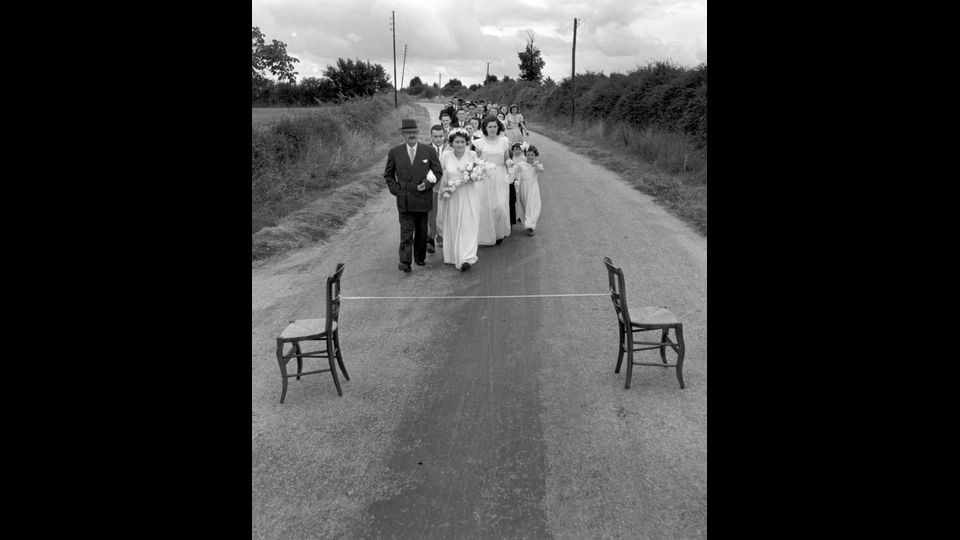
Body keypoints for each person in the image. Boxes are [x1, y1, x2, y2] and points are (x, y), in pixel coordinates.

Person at [383, 118, 444, 272]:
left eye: (414, 132)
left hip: (423, 198)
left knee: (422, 231)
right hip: (404, 199)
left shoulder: (428, 151)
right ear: (403, 134)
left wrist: (428, 184)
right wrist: (397, 191)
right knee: (406, 231)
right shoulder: (395, 152)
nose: (412, 135)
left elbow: (438, 172)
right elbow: (388, 175)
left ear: (418, 133)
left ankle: (419, 257)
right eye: (408, 132)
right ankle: (405, 261)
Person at [440, 130, 480, 271]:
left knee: (468, 223)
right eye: (457, 142)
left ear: (467, 142)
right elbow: (438, 172)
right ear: (451, 143)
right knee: (454, 223)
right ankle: (453, 254)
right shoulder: (446, 156)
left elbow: (479, 172)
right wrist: (443, 188)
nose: (460, 144)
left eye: (463, 142)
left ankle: (467, 257)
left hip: (468, 194)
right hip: (453, 195)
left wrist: (474, 176)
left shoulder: (472, 155)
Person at [474, 116, 512, 243]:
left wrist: (509, 162)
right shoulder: (479, 143)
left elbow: (507, 158)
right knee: (485, 207)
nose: (492, 129)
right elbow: (476, 160)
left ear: (498, 127)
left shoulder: (504, 141)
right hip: (485, 177)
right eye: (489, 126)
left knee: (499, 206)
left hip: (500, 176)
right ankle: (486, 234)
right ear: (485, 128)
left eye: (494, 126)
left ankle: (498, 233)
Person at [427, 124, 450, 252]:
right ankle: (430, 239)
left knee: (445, 212)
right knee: (432, 213)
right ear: (431, 136)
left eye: (441, 136)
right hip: (432, 187)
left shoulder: (450, 148)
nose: (438, 139)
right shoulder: (425, 149)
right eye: (435, 136)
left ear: (444, 135)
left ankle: (441, 236)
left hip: (447, 186)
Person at [512, 144, 543, 236]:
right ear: (525, 155)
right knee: (525, 205)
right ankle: (528, 222)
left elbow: (541, 169)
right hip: (523, 187)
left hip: (533, 188)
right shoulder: (521, 164)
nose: (530, 157)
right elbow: (514, 171)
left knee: (532, 206)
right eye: (528, 155)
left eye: (532, 155)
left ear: (535, 155)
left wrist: (536, 165)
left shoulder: (537, 165)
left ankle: (531, 226)